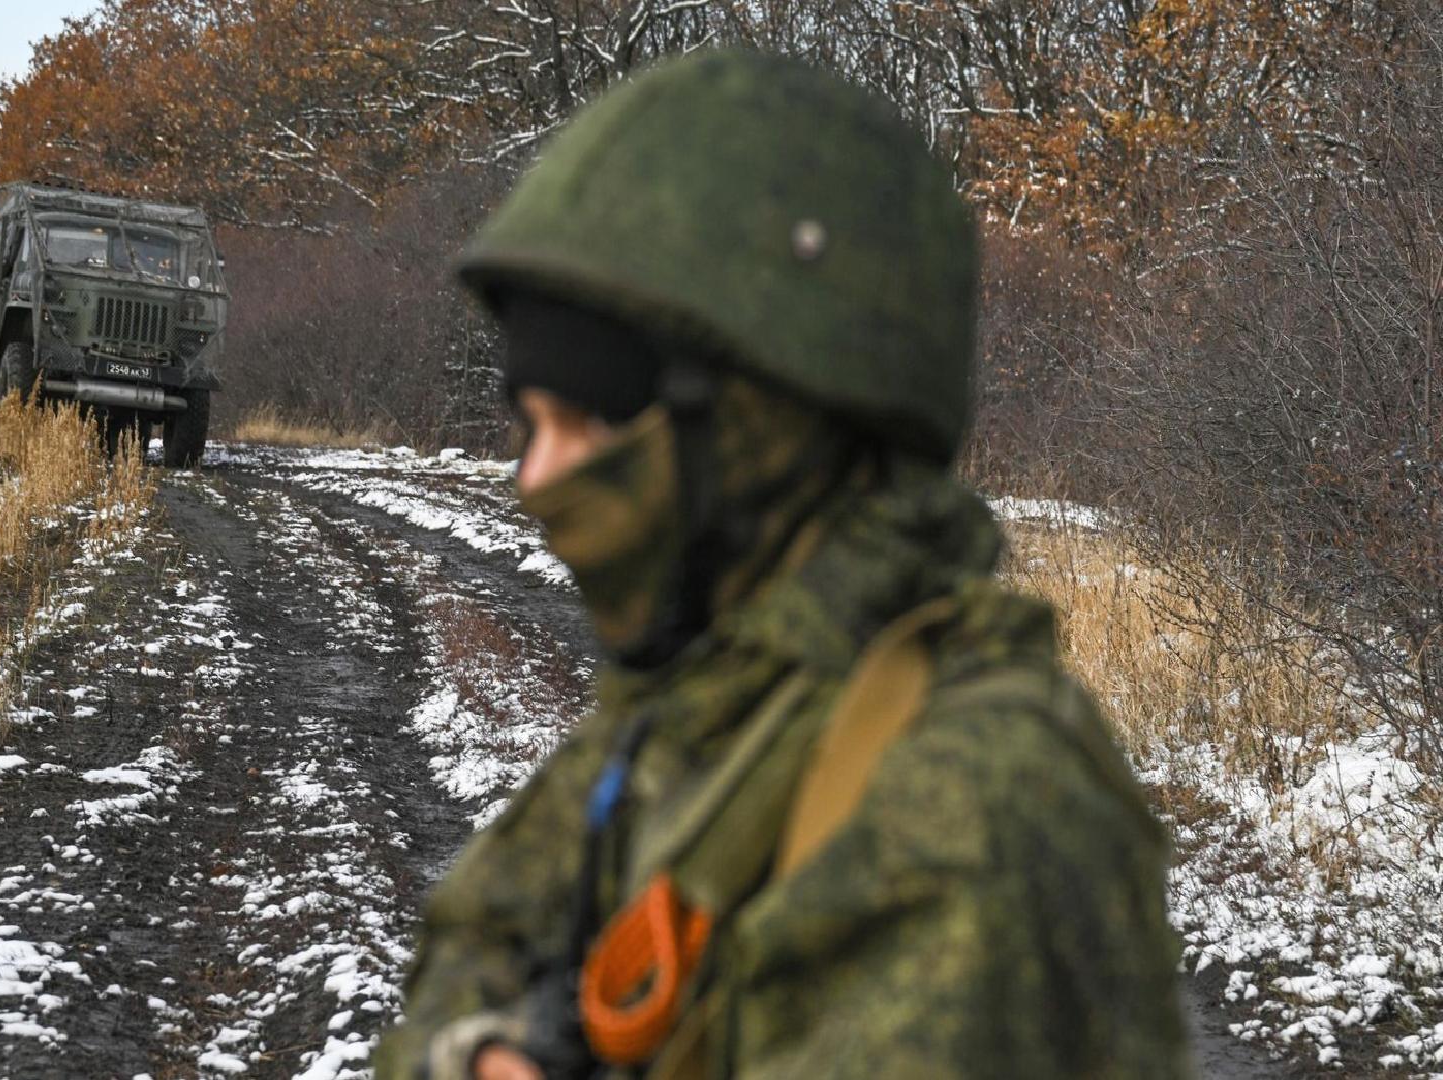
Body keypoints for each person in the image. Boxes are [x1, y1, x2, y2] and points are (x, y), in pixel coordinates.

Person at [371, 50, 1189, 1080]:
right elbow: (469, 955)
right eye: (528, 424)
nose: (537, 477)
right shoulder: (700, 706)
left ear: (767, 419)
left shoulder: (973, 805)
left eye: (588, 418)